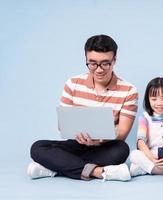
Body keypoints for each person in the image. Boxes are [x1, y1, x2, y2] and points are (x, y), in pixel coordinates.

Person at [27, 34, 138, 181]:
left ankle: (54, 169)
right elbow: (63, 125)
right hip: (76, 144)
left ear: (115, 60)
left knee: (122, 150)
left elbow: (122, 132)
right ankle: (98, 172)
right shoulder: (72, 83)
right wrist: (78, 134)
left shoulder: (129, 90)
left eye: (105, 63)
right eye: (92, 63)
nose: (99, 70)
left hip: (105, 147)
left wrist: (98, 140)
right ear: (86, 60)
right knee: (38, 147)